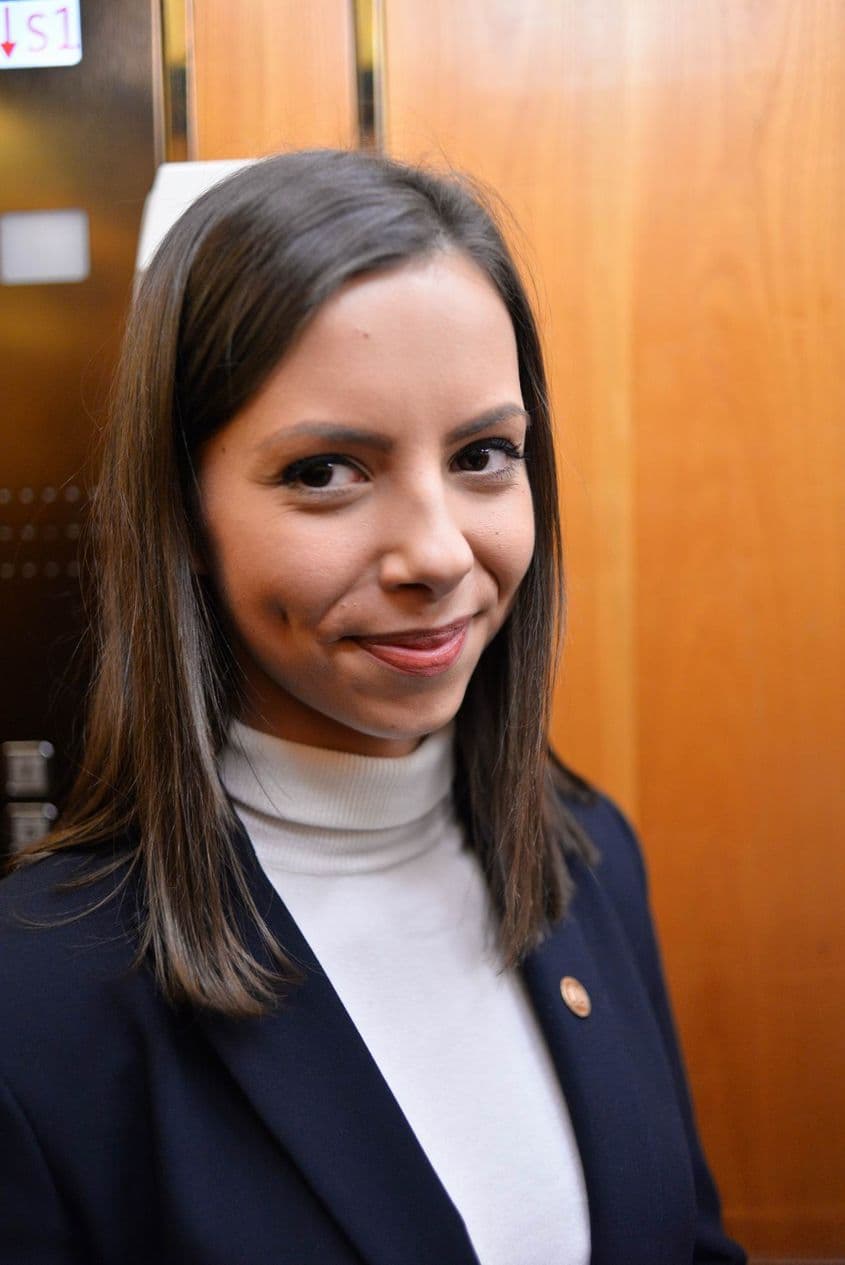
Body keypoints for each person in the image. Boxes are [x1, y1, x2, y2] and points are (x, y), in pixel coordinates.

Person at [0, 149, 746, 1265]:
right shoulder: (34, 1001)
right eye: (326, 472)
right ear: (182, 514)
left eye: (483, 454)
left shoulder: (585, 851)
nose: (436, 553)